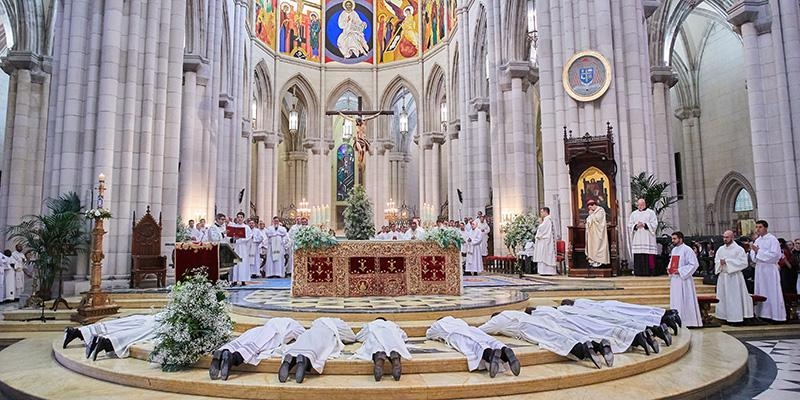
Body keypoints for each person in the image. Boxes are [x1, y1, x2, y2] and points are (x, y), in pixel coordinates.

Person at [209, 317, 305, 380]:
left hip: (265, 327)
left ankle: (223, 352)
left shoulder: (263, 328)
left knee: (244, 341)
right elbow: (304, 338)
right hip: (279, 330)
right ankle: (233, 358)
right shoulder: (297, 328)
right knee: (257, 346)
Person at [427, 316, 520, 378]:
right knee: (488, 340)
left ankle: (489, 354)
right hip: (472, 329)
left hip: (456, 334)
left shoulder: (438, 324)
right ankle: (504, 350)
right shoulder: (458, 320)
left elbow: (429, 334)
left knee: (474, 345)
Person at [277, 317, 356, 383]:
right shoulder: (339, 323)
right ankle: (305, 360)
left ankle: (291, 359)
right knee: (319, 351)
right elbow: (350, 337)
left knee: (301, 345)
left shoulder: (317, 321)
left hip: (308, 333)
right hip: (326, 334)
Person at [62, 313, 163, 360]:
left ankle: (78, 332)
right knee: (142, 332)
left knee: (125, 323)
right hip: (162, 321)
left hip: (158, 316)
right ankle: (106, 343)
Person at [749, 220, 786, 321]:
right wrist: (755, 253)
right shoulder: (757, 240)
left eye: (760, 227)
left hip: (769, 269)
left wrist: (758, 251)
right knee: (761, 290)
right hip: (760, 269)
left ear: (765, 228)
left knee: (772, 291)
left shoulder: (772, 240)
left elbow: (775, 255)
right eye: (756, 227)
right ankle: (762, 314)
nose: (757, 229)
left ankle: (775, 315)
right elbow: (753, 256)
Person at [714, 230, 754, 324]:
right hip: (723, 276)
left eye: (727, 237)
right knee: (723, 297)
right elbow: (716, 260)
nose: (725, 239)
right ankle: (723, 317)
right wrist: (720, 263)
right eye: (724, 237)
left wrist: (728, 262)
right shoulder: (721, 249)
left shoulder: (738, 249)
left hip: (734, 276)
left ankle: (735, 318)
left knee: (734, 298)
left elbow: (743, 263)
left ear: (732, 237)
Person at [668, 231, 702, 327]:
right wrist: (669, 269)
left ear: (680, 239)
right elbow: (672, 262)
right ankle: (677, 320)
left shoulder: (687, 250)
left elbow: (694, 264)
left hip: (684, 280)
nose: (672, 240)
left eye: (674, 239)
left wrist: (680, 271)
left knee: (686, 299)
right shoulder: (674, 250)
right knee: (676, 300)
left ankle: (688, 321)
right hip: (675, 279)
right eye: (672, 239)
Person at [628, 198, 659, 276]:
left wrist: (645, 225)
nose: (640, 206)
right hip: (638, 238)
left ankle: (649, 272)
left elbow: (655, 224)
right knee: (638, 254)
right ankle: (639, 272)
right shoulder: (633, 214)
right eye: (638, 205)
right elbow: (629, 225)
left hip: (648, 238)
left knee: (649, 254)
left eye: (642, 204)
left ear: (645, 204)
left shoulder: (651, 213)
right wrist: (635, 225)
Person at [227, 212, 252, 287]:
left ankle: (243, 280)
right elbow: (229, 237)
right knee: (235, 263)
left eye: (241, 217)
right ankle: (234, 280)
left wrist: (240, 239)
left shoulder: (246, 227)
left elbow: (249, 237)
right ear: (236, 218)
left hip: (243, 248)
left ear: (243, 218)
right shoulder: (233, 226)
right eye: (238, 217)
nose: (239, 219)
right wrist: (233, 239)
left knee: (243, 263)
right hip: (236, 247)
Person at [533, 207, 557, 275]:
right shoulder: (549, 219)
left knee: (545, 256)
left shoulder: (547, 219)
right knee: (546, 255)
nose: (541, 213)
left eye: (541, 212)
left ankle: (546, 271)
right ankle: (546, 271)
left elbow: (542, 229)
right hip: (547, 240)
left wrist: (540, 223)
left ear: (545, 212)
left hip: (546, 241)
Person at [585, 200, 609, 267]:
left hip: (599, 234)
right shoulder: (593, 212)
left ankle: (599, 262)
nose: (590, 209)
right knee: (592, 247)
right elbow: (588, 221)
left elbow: (598, 220)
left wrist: (591, 215)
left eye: (590, 207)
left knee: (598, 247)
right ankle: (593, 261)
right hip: (592, 234)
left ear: (594, 205)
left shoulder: (600, 211)